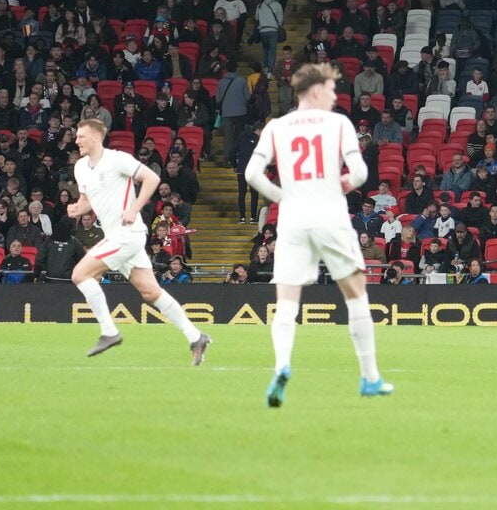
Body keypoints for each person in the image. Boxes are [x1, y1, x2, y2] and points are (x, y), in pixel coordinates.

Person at [243, 63, 393, 406]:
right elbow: (359, 173)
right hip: (329, 215)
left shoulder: (277, 127)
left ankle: (281, 366)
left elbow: (252, 173)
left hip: (294, 219)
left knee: (286, 302)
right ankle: (370, 378)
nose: (335, 96)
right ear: (314, 92)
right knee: (356, 295)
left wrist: (282, 196)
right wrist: (339, 185)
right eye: (329, 90)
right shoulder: (338, 123)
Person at [69, 119, 211, 362]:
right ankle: (196, 336)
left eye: (81, 136)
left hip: (127, 233)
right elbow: (87, 200)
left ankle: (109, 332)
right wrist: (76, 208)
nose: (76, 140)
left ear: (95, 137)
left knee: (80, 274)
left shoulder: (117, 159)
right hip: (116, 235)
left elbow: (152, 179)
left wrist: (134, 208)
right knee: (150, 292)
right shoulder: (81, 167)